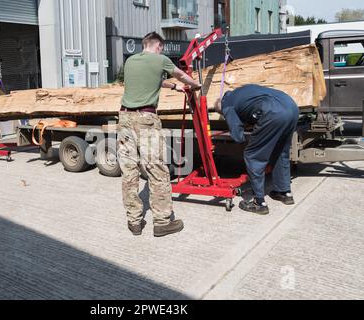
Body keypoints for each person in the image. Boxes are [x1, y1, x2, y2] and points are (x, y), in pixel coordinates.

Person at [118, 32, 202, 237]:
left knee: (129, 171)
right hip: (146, 120)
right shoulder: (160, 59)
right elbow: (180, 74)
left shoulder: (130, 61)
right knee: (156, 169)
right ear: (159, 47)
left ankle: (134, 221)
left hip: (124, 119)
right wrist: (194, 85)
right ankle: (162, 222)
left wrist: (173, 87)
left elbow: (155, 79)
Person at [214, 84, 299, 215]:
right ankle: (284, 193)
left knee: (253, 155)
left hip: (273, 113)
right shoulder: (241, 92)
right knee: (281, 151)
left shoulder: (227, 104)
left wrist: (244, 135)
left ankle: (259, 203)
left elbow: (238, 136)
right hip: (292, 107)